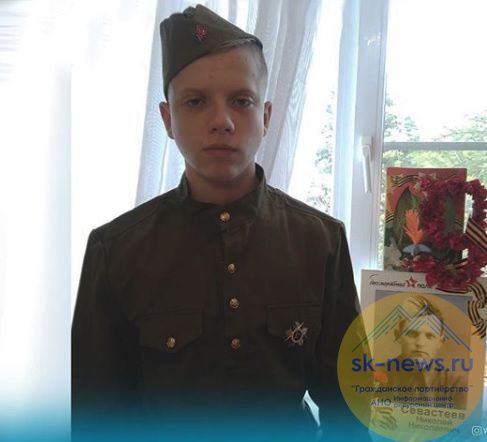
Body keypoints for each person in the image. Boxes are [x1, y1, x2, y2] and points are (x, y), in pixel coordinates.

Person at [72, 4, 366, 441]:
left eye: (241, 101)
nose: (222, 122)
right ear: (168, 120)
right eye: (195, 102)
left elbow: (350, 409)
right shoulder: (115, 250)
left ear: (265, 117)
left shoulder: (320, 240)